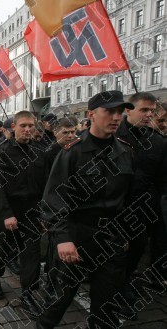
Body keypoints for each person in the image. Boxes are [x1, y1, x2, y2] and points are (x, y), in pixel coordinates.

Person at [37, 91, 136, 328]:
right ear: (91, 114)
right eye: (109, 111)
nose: (116, 117)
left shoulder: (125, 151)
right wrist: (63, 239)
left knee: (106, 303)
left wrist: (125, 233)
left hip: (110, 239)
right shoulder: (72, 152)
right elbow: (54, 199)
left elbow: (129, 198)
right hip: (77, 235)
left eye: (119, 112)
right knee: (59, 299)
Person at [0, 112, 50, 318]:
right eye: (23, 125)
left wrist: (44, 214)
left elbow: (45, 185)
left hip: (32, 211)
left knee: (31, 253)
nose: (28, 129)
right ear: (14, 126)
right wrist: (6, 214)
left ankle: (28, 294)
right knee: (1, 248)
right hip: (8, 209)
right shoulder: (1, 151)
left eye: (31, 125)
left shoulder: (40, 151)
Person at [114, 92, 167, 317]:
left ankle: (124, 282)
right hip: (112, 208)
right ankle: (111, 292)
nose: (149, 115)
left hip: (142, 209)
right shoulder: (112, 136)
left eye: (152, 111)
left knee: (136, 249)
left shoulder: (157, 141)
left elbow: (162, 179)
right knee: (113, 252)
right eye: (144, 110)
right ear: (128, 110)